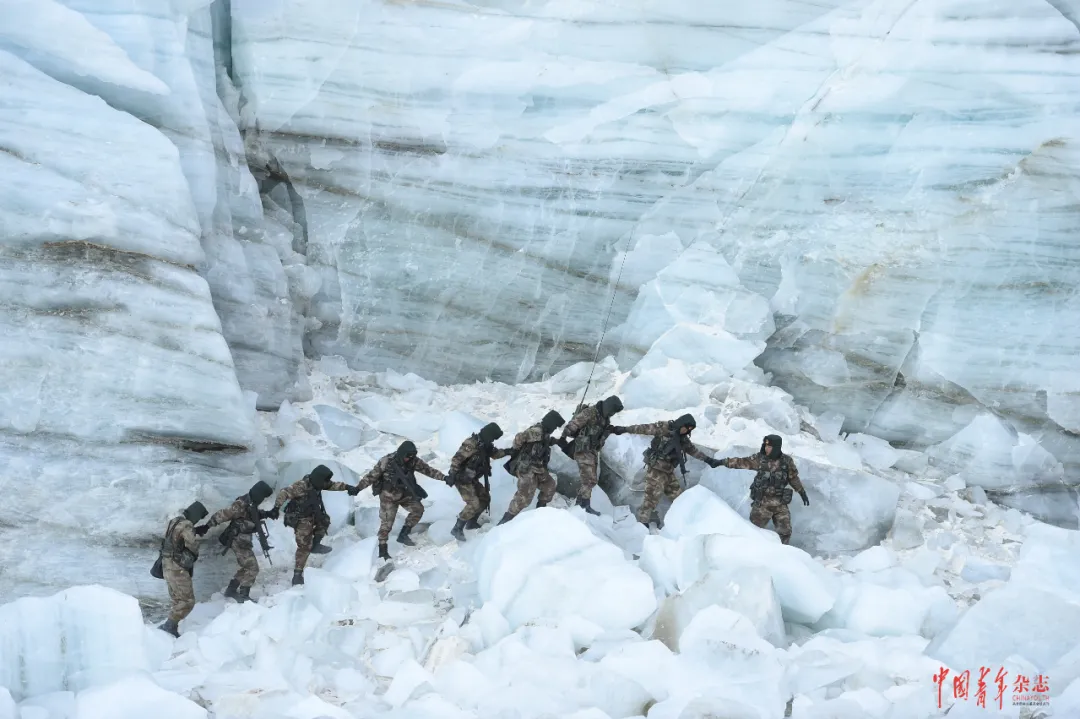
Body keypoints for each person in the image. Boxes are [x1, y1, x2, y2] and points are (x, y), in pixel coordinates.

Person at [619, 414, 721, 527]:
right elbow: (644, 428)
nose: (686, 431)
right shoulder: (664, 427)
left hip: (668, 472)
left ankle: (683, 524)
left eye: (689, 430)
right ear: (681, 423)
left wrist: (709, 460)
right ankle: (642, 526)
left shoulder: (683, 440)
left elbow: (694, 452)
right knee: (650, 500)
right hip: (656, 471)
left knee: (678, 498)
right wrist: (625, 429)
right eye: (686, 428)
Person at [354, 441, 447, 560]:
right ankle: (383, 550)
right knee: (386, 524)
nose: (409, 459)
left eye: (412, 456)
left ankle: (403, 535)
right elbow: (371, 476)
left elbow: (428, 470)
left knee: (418, 510)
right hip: (388, 497)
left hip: (405, 494)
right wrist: (358, 488)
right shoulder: (386, 461)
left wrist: (444, 477)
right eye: (408, 456)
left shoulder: (413, 460)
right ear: (402, 453)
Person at [271, 465, 360, 585]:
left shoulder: (318, 483)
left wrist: (348, 487)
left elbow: (333, 485)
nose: (326, 483)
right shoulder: (301, 486)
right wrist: (276, 508)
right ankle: (297, 575)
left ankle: (316, 545)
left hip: (311, 514)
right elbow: (284, 492)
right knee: (304, 547)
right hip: (299, 518)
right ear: (318, 479)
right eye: (324, 480)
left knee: (325, 520)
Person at [717, 434, 809, 545]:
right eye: (765, 446)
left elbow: (793, 478)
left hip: (780, 504)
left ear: (776, 448)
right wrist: (721, 462)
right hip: (762, 504)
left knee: (785, 532)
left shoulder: (787, 461)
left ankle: (782, 555)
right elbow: (741, 462)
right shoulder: (760, 459)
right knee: (753, 532)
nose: (766, 449)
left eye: (769, 447)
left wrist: (802, 492)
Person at [194, 480, 275, 602]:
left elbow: (251, 515)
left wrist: (266, 514)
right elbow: (222, 515)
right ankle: (243, 595)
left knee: (247, 566)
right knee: (253, 567)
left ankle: (231, 590)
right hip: (237, 541)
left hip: (244, 542)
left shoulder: (251, 503)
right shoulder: (240, 504)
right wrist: (206, 526)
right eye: (263, 497)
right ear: (259, 494)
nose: (263, 500)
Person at [559, 396, 627, 515]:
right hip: (583, 449)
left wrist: (613, 429)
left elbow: (602, 430)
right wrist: (563, 438)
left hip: (592, 451)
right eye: (612, 411)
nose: (612, 414)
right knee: (588, 479)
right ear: (608, 406)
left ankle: (580, 504)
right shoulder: (590, 412)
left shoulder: (604, 418)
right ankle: (585, 506)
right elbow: (573, 424)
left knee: (591, 479)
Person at [497, 410, 565, 526]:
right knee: (524, 497)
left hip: (538, 468)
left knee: (549, 486)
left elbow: (545, 441)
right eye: (555, 426)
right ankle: (505, 522)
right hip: (526, 468)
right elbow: (519, 438)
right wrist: (516, 449)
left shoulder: (544, 432)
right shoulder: (536, 431)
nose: (554, 429)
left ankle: (539, 513)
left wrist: (556, 441)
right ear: (551, 423)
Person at [447, 423, 509, 540]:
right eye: (493, 437)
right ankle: (457, 528)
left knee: (485, 498)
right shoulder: (471, 444)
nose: (493, 440)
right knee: (473, 504)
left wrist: (509, 451)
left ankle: (471, 522)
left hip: (471, 478)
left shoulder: (485, 445)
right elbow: (456, 460)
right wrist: (452, 474)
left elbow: (495, 454)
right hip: (462, 479)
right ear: (489, 434)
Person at [158, 501, 208, 637]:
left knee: (177, 599)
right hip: (177, 567)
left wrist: (195, 531)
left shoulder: (174, 521)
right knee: (187, 601)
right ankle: (170, 625)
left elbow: (174, 538)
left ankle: (171, 628)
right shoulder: (187, 525)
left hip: (166, 565)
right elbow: (192, 545)